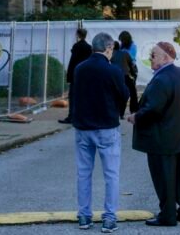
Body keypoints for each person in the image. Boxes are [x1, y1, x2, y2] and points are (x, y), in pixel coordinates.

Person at [128, 41, 180, 227]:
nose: (150, 58)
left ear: (165, 58)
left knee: (164, 179)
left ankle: (168, 216)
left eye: (153, 55)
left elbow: (153, 109)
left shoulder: (160, 80)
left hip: (161, 139)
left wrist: (136, 117)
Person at [72, 32, 130, 233]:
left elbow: (75, 95)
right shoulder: (113, 70)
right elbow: (124, 94)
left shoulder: (80, 68)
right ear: (108, 48)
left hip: (83, 127)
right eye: (111, 49)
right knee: (111, 174)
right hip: (106, 126)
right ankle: (109, 218)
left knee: (83, 173)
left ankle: (84, 216)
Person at [59, 27, 93, 124]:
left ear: (78, 35)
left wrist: (69, 75)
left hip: (76, 75)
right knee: (84, 96)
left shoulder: (76, 46)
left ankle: (72, 117)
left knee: (73, 96)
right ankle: (84, 116)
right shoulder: (89, 47)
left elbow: (73, 62)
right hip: (85, 75)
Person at [111, 34, 138, 114]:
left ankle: (119, 110)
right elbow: (131, 63)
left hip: (116, 75)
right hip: (126, 75)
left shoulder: (111, 54)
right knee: (132, 92)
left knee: (118, 93)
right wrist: (133, 74)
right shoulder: (125, 53)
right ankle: (133, 109)